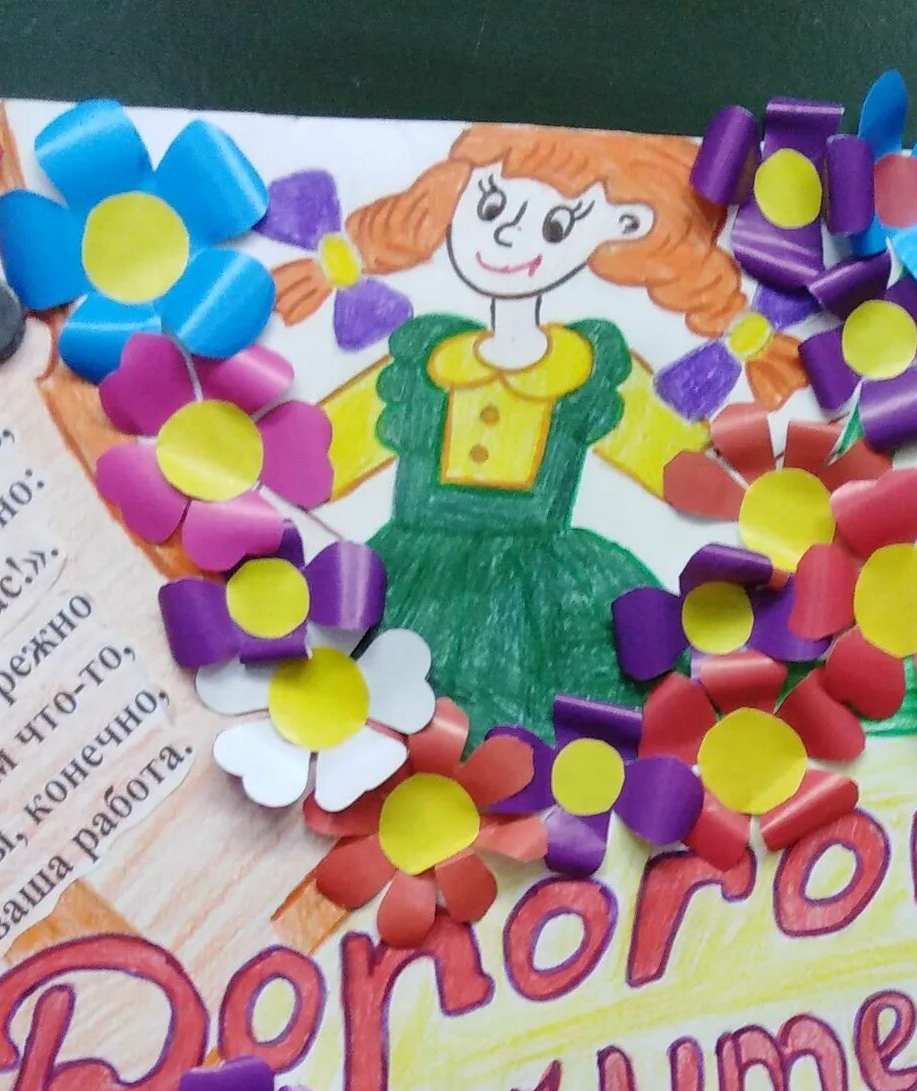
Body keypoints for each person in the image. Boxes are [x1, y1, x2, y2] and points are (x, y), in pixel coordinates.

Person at [268, 126, 803, 734]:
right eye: (491, 205)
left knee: (548, 720)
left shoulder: (592, 368)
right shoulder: (423, 359)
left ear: (623, 229)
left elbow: (679, 468)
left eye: (554, 227)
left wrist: (761, 501)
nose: (505, 235)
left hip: (543, 593)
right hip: (415, 577)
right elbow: (319, 457)